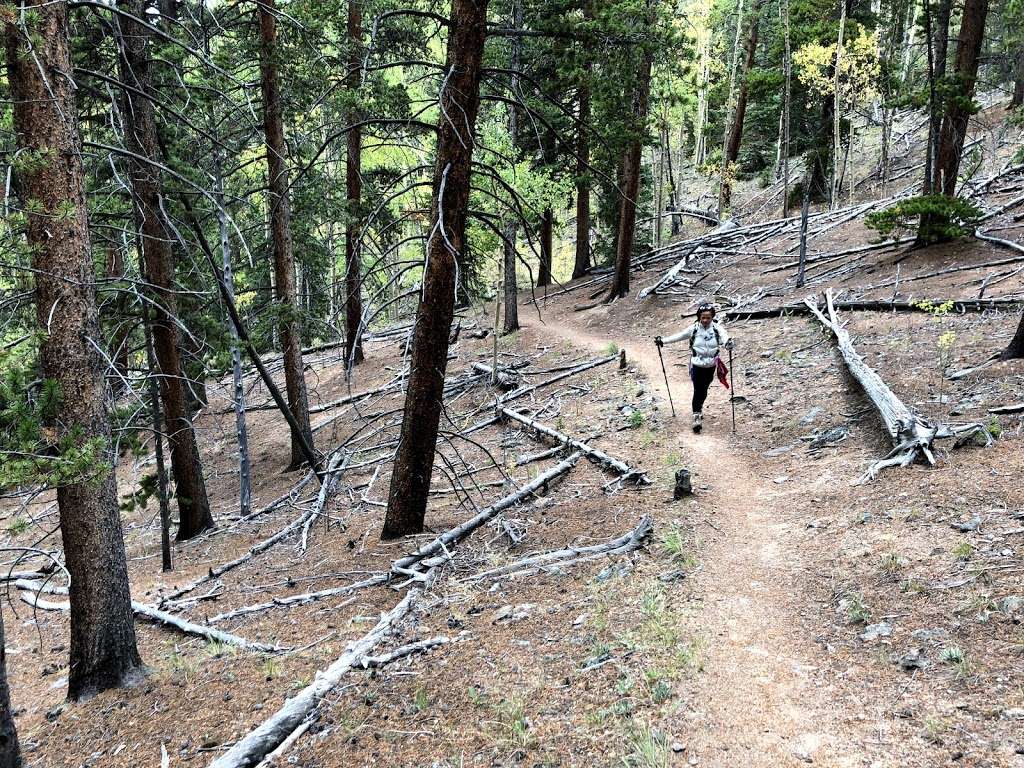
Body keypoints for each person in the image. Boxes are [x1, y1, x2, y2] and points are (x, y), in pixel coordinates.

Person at [654, 303, 733, 433]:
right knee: (698, 389)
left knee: (704, 389)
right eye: (703, 318)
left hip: (711, 365)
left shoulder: (717, 329)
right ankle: (696, 416)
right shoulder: (694, 329)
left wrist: (728, 344)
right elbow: (679, 336)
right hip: (696, 364)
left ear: (712, 317)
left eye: (708, 317)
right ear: (699, 317)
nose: (706, 320)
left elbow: (725, 338)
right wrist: (663, 341)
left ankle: (699, 407)